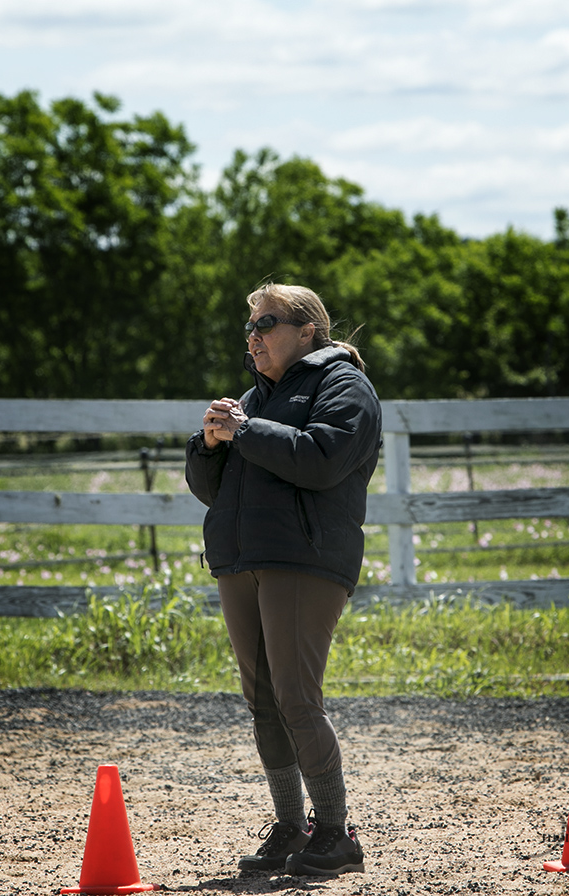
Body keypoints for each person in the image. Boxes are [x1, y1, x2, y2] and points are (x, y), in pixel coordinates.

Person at [185, 283, 382, 877]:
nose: (254, 335)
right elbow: (211, 489)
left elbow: (321, 458)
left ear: (307, 331)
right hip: (243, 560)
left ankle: (335, 834)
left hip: (304, 558)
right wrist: (210, 444)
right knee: (264, 704)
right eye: (250, 327)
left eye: (267, 322)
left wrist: (243, 430)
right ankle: (292, 828)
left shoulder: (343, 385)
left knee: (297, 698)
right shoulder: (256, 398)